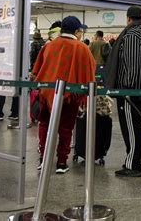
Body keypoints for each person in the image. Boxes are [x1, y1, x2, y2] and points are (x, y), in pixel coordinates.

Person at [32, 16, 96, 174]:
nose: (81, 34)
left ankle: (43, 160)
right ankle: (61, 162)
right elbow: (89, 73)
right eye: (80, 31)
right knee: (66, 128)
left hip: (47, 95)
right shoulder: (82, 48)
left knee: (44, 125)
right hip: (70, 96)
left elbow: (36, 70)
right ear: (76, 31)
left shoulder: (48, 46)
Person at [105, 5, 141, 178]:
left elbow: (131, 64)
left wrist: (125, 89)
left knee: (131, 127)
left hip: (132, 91)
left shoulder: (132, 34)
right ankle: (134, 161)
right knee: (136, 127)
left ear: (129, 18)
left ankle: (132, 165)